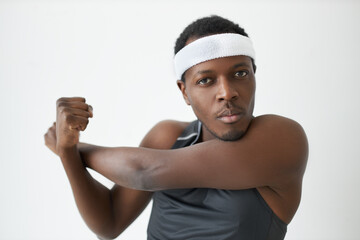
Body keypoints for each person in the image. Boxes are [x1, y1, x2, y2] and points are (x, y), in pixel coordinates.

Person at [44, 15, 308, 240]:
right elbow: (109, 223)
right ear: (184, 92)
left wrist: (72, 146)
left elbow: (145, 171)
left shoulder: (281, 138)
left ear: (254, 75)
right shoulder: (168, 137)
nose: (227, 93)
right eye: (206, 80)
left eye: (240, 74)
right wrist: (68, 154)